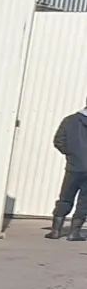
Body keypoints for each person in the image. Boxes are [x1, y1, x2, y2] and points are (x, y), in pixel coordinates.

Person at [52, 101, 87, 239]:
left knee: (65, 197)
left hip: (74, 167)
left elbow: (58, 140)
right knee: (84, 201)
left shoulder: (69, 120)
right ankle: (74, 232)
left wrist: (71, 154)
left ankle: (56, 231)